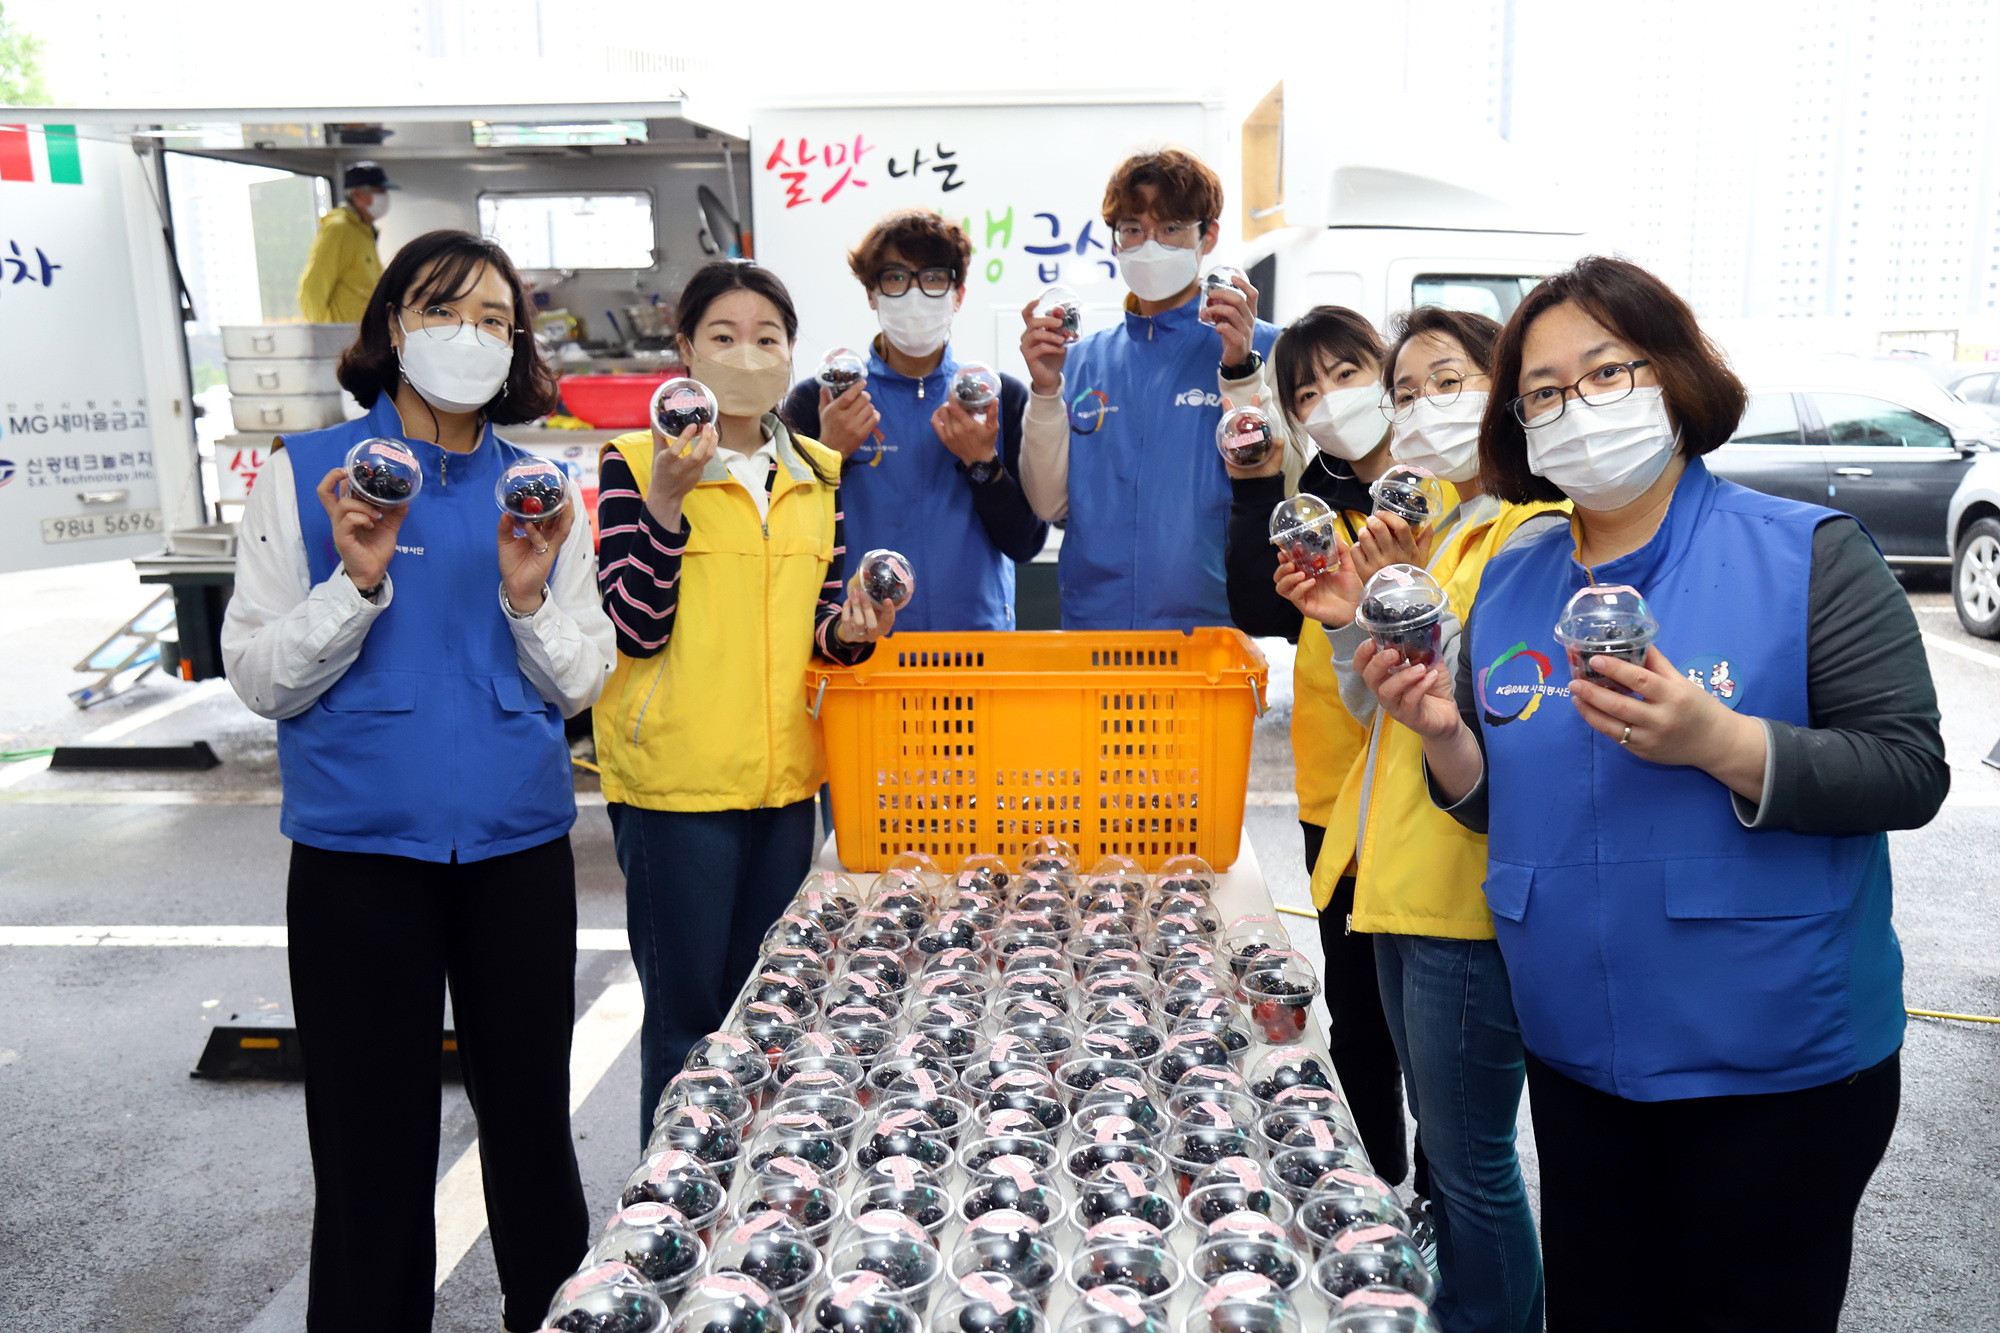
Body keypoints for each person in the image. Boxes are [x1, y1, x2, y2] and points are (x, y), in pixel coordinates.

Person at [1360, 257, 1949, 1330]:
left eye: (1602, 374)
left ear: (1670, 376)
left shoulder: (1807, 555)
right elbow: (1511, 803)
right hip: (1581, 1059)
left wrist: (1720, 741)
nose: (1570, 410)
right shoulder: (1510, 579)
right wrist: (1443, 737)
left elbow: (1908, 767)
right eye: (1540, 392)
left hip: (1772, 1066)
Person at [222, 229, 615, 1331]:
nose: (472, 337)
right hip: (360, 861)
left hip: (516, 854)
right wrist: (354, 580)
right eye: (447, 312)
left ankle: (554, 1317)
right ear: (395, 327)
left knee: (533, 1131)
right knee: (367, 1141)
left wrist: (529, 598)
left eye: (496, 320)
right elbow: (256, 674)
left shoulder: (539, 490)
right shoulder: (307, 475)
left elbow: (584, 675)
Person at [1283, 305, 1563, 1333]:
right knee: (1450, 1155)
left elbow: (1503, 725)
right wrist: (1349, 613)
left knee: (1470, 1161)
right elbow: (1387, 713)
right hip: (1397, 883)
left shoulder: (1534, 537)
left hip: (1463, 896)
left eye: (1446, 382)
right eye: (1406, 392)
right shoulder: (1443, 536)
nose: (1417, 410)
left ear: (1507, 388)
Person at [593, 260, 893, 1147]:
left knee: (768, 1014)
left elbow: (818, 634)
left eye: (768, 339)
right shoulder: (635, 462)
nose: (747, 354)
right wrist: (667, 506)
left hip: (783, 787)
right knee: (688, 1026)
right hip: (676, 789)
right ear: (684, 350)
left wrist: (857, 629)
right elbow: (636, 625)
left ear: (791, 353)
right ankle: (669, 1217)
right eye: (722, 337)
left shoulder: (816, 472)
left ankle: (745, 1207)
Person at [1222, 305, 1418, 1194]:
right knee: (1362, 1019)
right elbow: (1261, 610)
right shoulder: (1316, 497)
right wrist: (1257, 483)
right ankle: (1375, 1189)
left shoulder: (1443, 490)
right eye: (1308, 389)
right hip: (1333, 797)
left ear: (1386, 372)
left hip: (1430, 795)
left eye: (1348, 372)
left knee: (1438, 1023)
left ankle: (1449, 1202)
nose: (1331, 399)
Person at [1018, 145, 1279, 629]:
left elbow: (1276, 482)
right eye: (1133, 229)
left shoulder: (1263, 348)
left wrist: (1241, 368)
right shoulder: (1081, 360)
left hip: (1216, 637)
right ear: (1115, 241)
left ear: (1209, 235)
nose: (1150, 245)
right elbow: (1048, 503)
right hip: (1094, 630)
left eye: (1171, 228)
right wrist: (1045, 388)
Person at [780, 208, 1046, 629]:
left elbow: (1027, 542)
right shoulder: (822, 400)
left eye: (934, 278)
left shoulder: (999, 399)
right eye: (896, 277)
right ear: (872, 293)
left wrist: (983, 465)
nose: (915, 294)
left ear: (958, 294)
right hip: (858, 643)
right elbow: (783, 539)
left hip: (976, 644)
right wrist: (828, 457)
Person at [298, 161, 394, 323]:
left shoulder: (365, 231)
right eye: (379, 191)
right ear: (357, 194)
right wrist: (325, 338)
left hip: (364, 336)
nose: (384, 197)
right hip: (342, 340)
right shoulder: (339, 230)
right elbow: (313, 290)